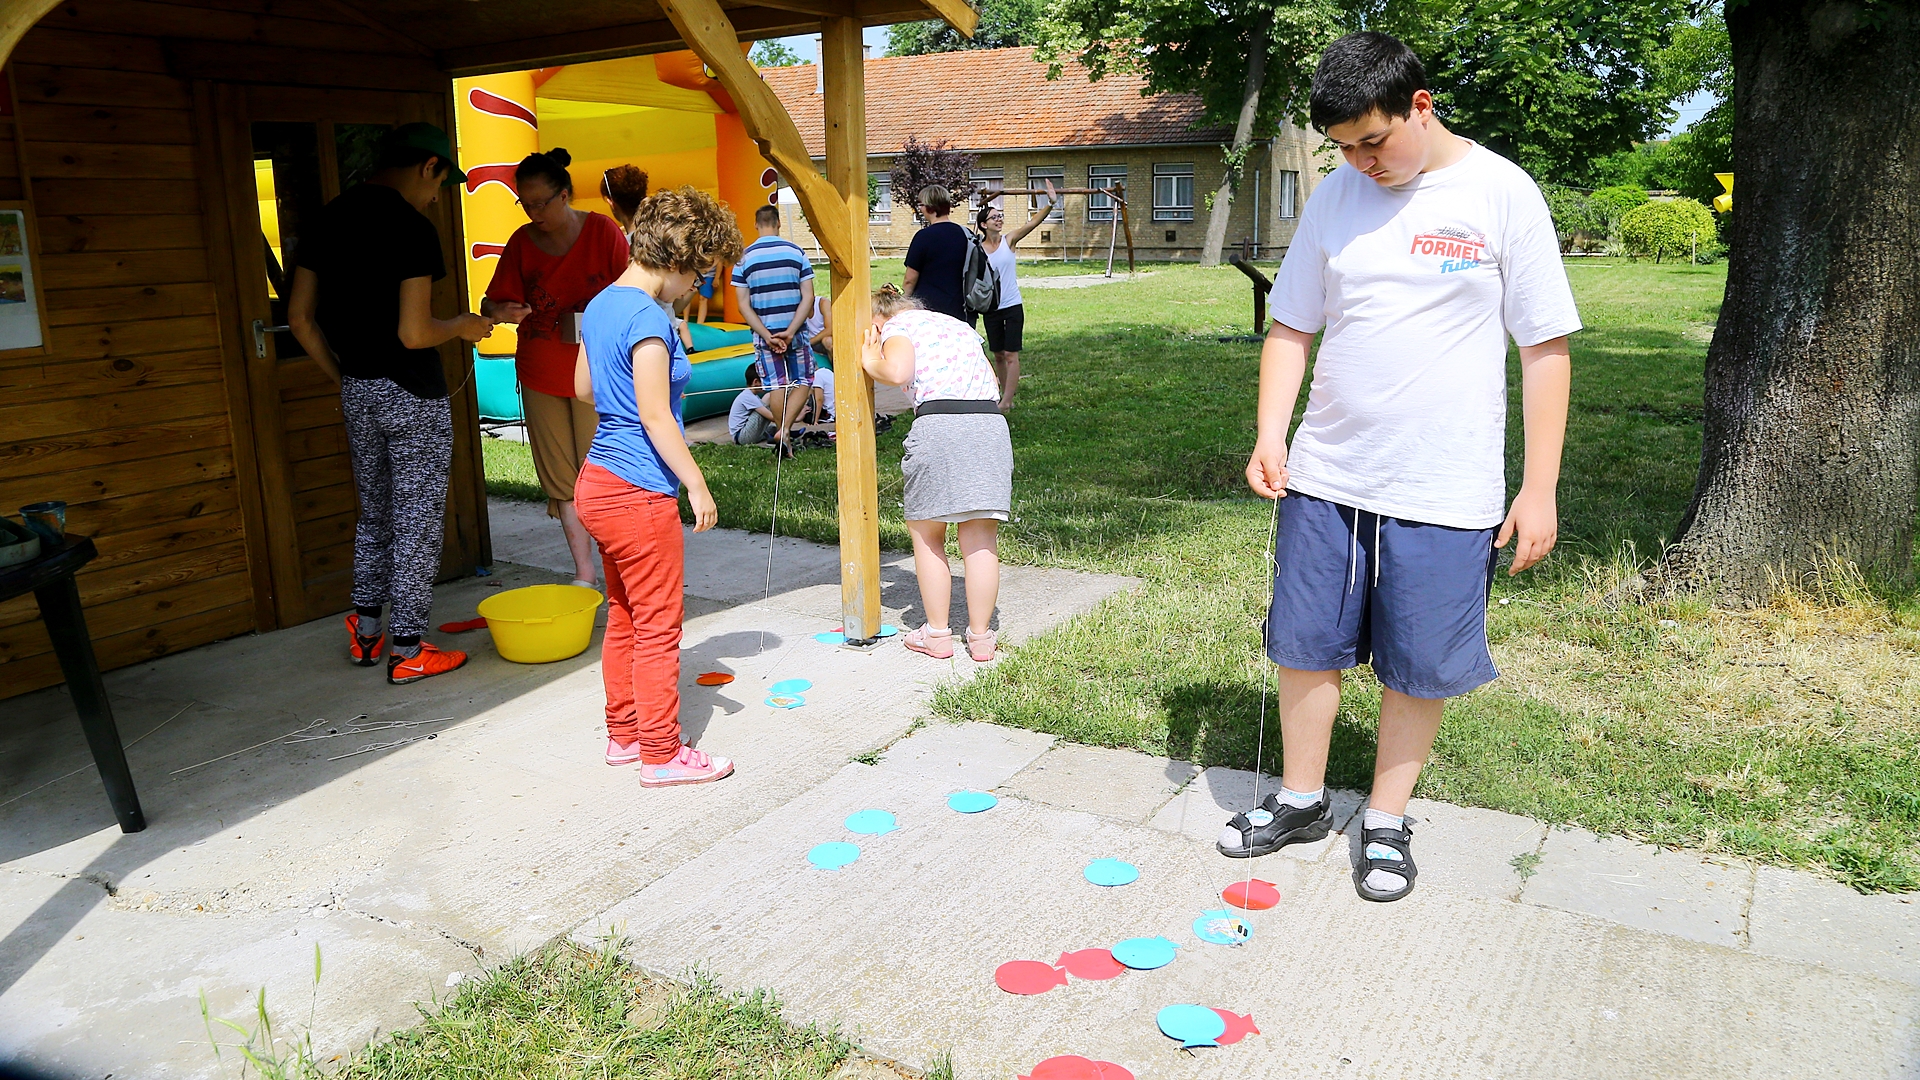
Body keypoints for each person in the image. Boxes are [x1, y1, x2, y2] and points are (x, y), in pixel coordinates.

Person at [1217, 32, 1578, 905]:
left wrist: (1539, 487)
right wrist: (1273, 433)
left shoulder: (1501, 193)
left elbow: (1544, 347)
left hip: (1445, 486)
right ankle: (1301, 799)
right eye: (1342, 148)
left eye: (1371, 142)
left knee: (1418, 661)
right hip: (1329, 472)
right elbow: (1291, 324)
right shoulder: (1337, 197)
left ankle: (1384, 820)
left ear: (1420, 106)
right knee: (1304, 645)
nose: (1359, 162)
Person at [287, 122, 492, 685]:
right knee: (418, 523)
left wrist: (345, 374)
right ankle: (408, 649)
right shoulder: (411, 228)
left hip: (359, 390)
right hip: (412, 395)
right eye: (440, 184)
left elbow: (300, 318)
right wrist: (463, 326)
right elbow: (413, 332)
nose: (436, 197)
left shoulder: (326, 219)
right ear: (428, 167)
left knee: (375, 515)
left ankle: (367, 629)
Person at [573, 186, 745, 784]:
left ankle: (624, 736)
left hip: (596, 480)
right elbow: (654, 414)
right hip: (637, 492)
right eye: (700, 274)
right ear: (678, 258)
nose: (698, 287)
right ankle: (662, 754)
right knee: (658, 627)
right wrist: (695, 483)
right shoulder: (648, 316)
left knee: (624, 614)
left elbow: (584, 390)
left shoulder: (600, 305)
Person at [480, 149, 630, 589]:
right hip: (541, 370)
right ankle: (584, 573)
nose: (533, 212)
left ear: (565, 195)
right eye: (525, 204)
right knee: (561, 477)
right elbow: (490, 303)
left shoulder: (603, 231)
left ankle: (617, 569)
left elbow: (634, 292)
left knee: (601, 468)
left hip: (597, 371)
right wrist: (501, 310)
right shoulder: (521, 242)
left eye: (541, 202)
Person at [859, 286, 1010, 663]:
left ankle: (938, 634)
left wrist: (869, 358)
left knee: (928, 534)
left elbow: (897, 371)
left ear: (877, 321)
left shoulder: (897, 327)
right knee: (980, 536)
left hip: (939, 423)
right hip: (989, 425)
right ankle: (980, 638)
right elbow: (992, 382)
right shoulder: (957, 326)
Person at [730, 205, 815, 456]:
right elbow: (807, 297)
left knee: (777, 386)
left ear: (756, 225)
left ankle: (783, 433)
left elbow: (743, 306)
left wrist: (766, 335)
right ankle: (786, 431)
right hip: (795, 331)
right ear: (778, 223)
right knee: (804, 380)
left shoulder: (743, 258)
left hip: (764, 334)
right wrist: (790, 330)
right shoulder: (796, 252)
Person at [977, 178, 1057, 410]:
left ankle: (1007, 400)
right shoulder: (977, 249)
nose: (999, 219)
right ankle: (1004, 394)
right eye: (994, 217)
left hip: (1012, 306)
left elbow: (1032, 224)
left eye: (1000, 216)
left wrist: (1050, 204)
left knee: (1011, 354)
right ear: (983, 225)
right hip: (991, 308)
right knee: (998, 354)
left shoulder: (1008, 241)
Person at [901, 185, 970, 322]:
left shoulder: (923, 236)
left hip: (927, 308)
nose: (920, 209)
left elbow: (910, 279)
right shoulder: (966, 234)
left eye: (921, 204)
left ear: (929, 207)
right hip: (959, 306)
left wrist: (904, 304)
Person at [728, 366, 777, 446]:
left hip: (742, 434)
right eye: (765, 380)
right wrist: (795, 418)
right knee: (768, 398)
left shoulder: (752, 396)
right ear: (756, 381)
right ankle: (780, 433)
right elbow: (772, 417)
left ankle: (782, 433)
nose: (768, 383)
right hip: (742, 437)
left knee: (771, 428)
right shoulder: (748, 396)